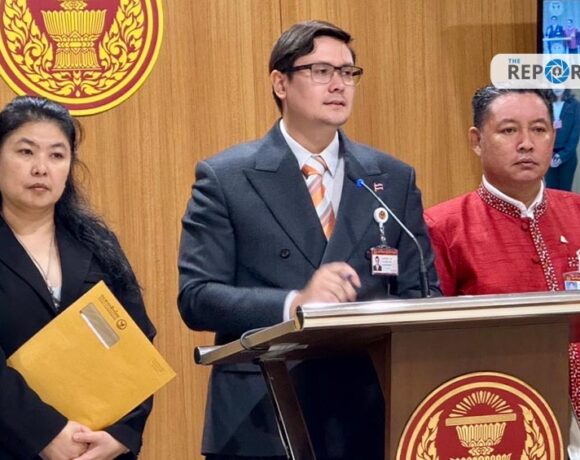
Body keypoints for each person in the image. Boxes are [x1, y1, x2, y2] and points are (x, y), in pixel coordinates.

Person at [178, 20, 440, 460]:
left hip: (368, 412)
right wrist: (294, 304)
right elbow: (197, 297)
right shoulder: (226, 177)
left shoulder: (392, 178)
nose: (339, 85)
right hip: (262, 414)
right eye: (321, 71)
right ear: (280, 83)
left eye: (348, 73)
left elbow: (423, 293)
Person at [424, 84, 580, 455]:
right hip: (506, 411)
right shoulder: (443, 226)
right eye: (509, 130)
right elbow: (431, 344)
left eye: (539, 129)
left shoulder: (577, 212)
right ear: (477, 141)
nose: (526, 144)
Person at [0, 96, 156, 459]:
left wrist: (120, 434)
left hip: (94, 448)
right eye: (26, 152)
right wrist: (45, 434)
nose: (41, 168)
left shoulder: (97, 243)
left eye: (57, 155)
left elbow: (137, 343)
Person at [545, 88, 580, 191]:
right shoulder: (546, 104)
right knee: (550, 192)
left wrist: (561, 156)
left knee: (565, 192)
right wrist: (549, 155)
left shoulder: (575, 105)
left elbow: (575, 135)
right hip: (548, 155)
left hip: (567, 157)